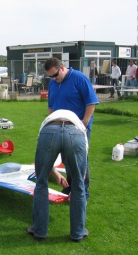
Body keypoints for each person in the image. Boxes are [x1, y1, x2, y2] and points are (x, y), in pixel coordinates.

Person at [40, 58, 98, 202]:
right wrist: (51, 123)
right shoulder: (53, 83)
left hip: (78, 128)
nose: (53, 79)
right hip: (59, 128)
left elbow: (91, 102)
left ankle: (82, 192)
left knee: (79, 161)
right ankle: (70, 187)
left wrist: (84, 122)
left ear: (62, 67)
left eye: (55, 75)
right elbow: (51, 106)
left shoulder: (79, 78)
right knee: (66, 158)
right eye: (50, 76)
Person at [27, 109, 89, 242]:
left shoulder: (48, 120)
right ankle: (77, 233)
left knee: (41, 183)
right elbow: (85, 151)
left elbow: (46, 163)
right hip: (76, 134)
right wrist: (82, 173)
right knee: (79, 185)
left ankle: (39, 231)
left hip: (48, 132)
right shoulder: (79, 125)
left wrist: (54, 173)